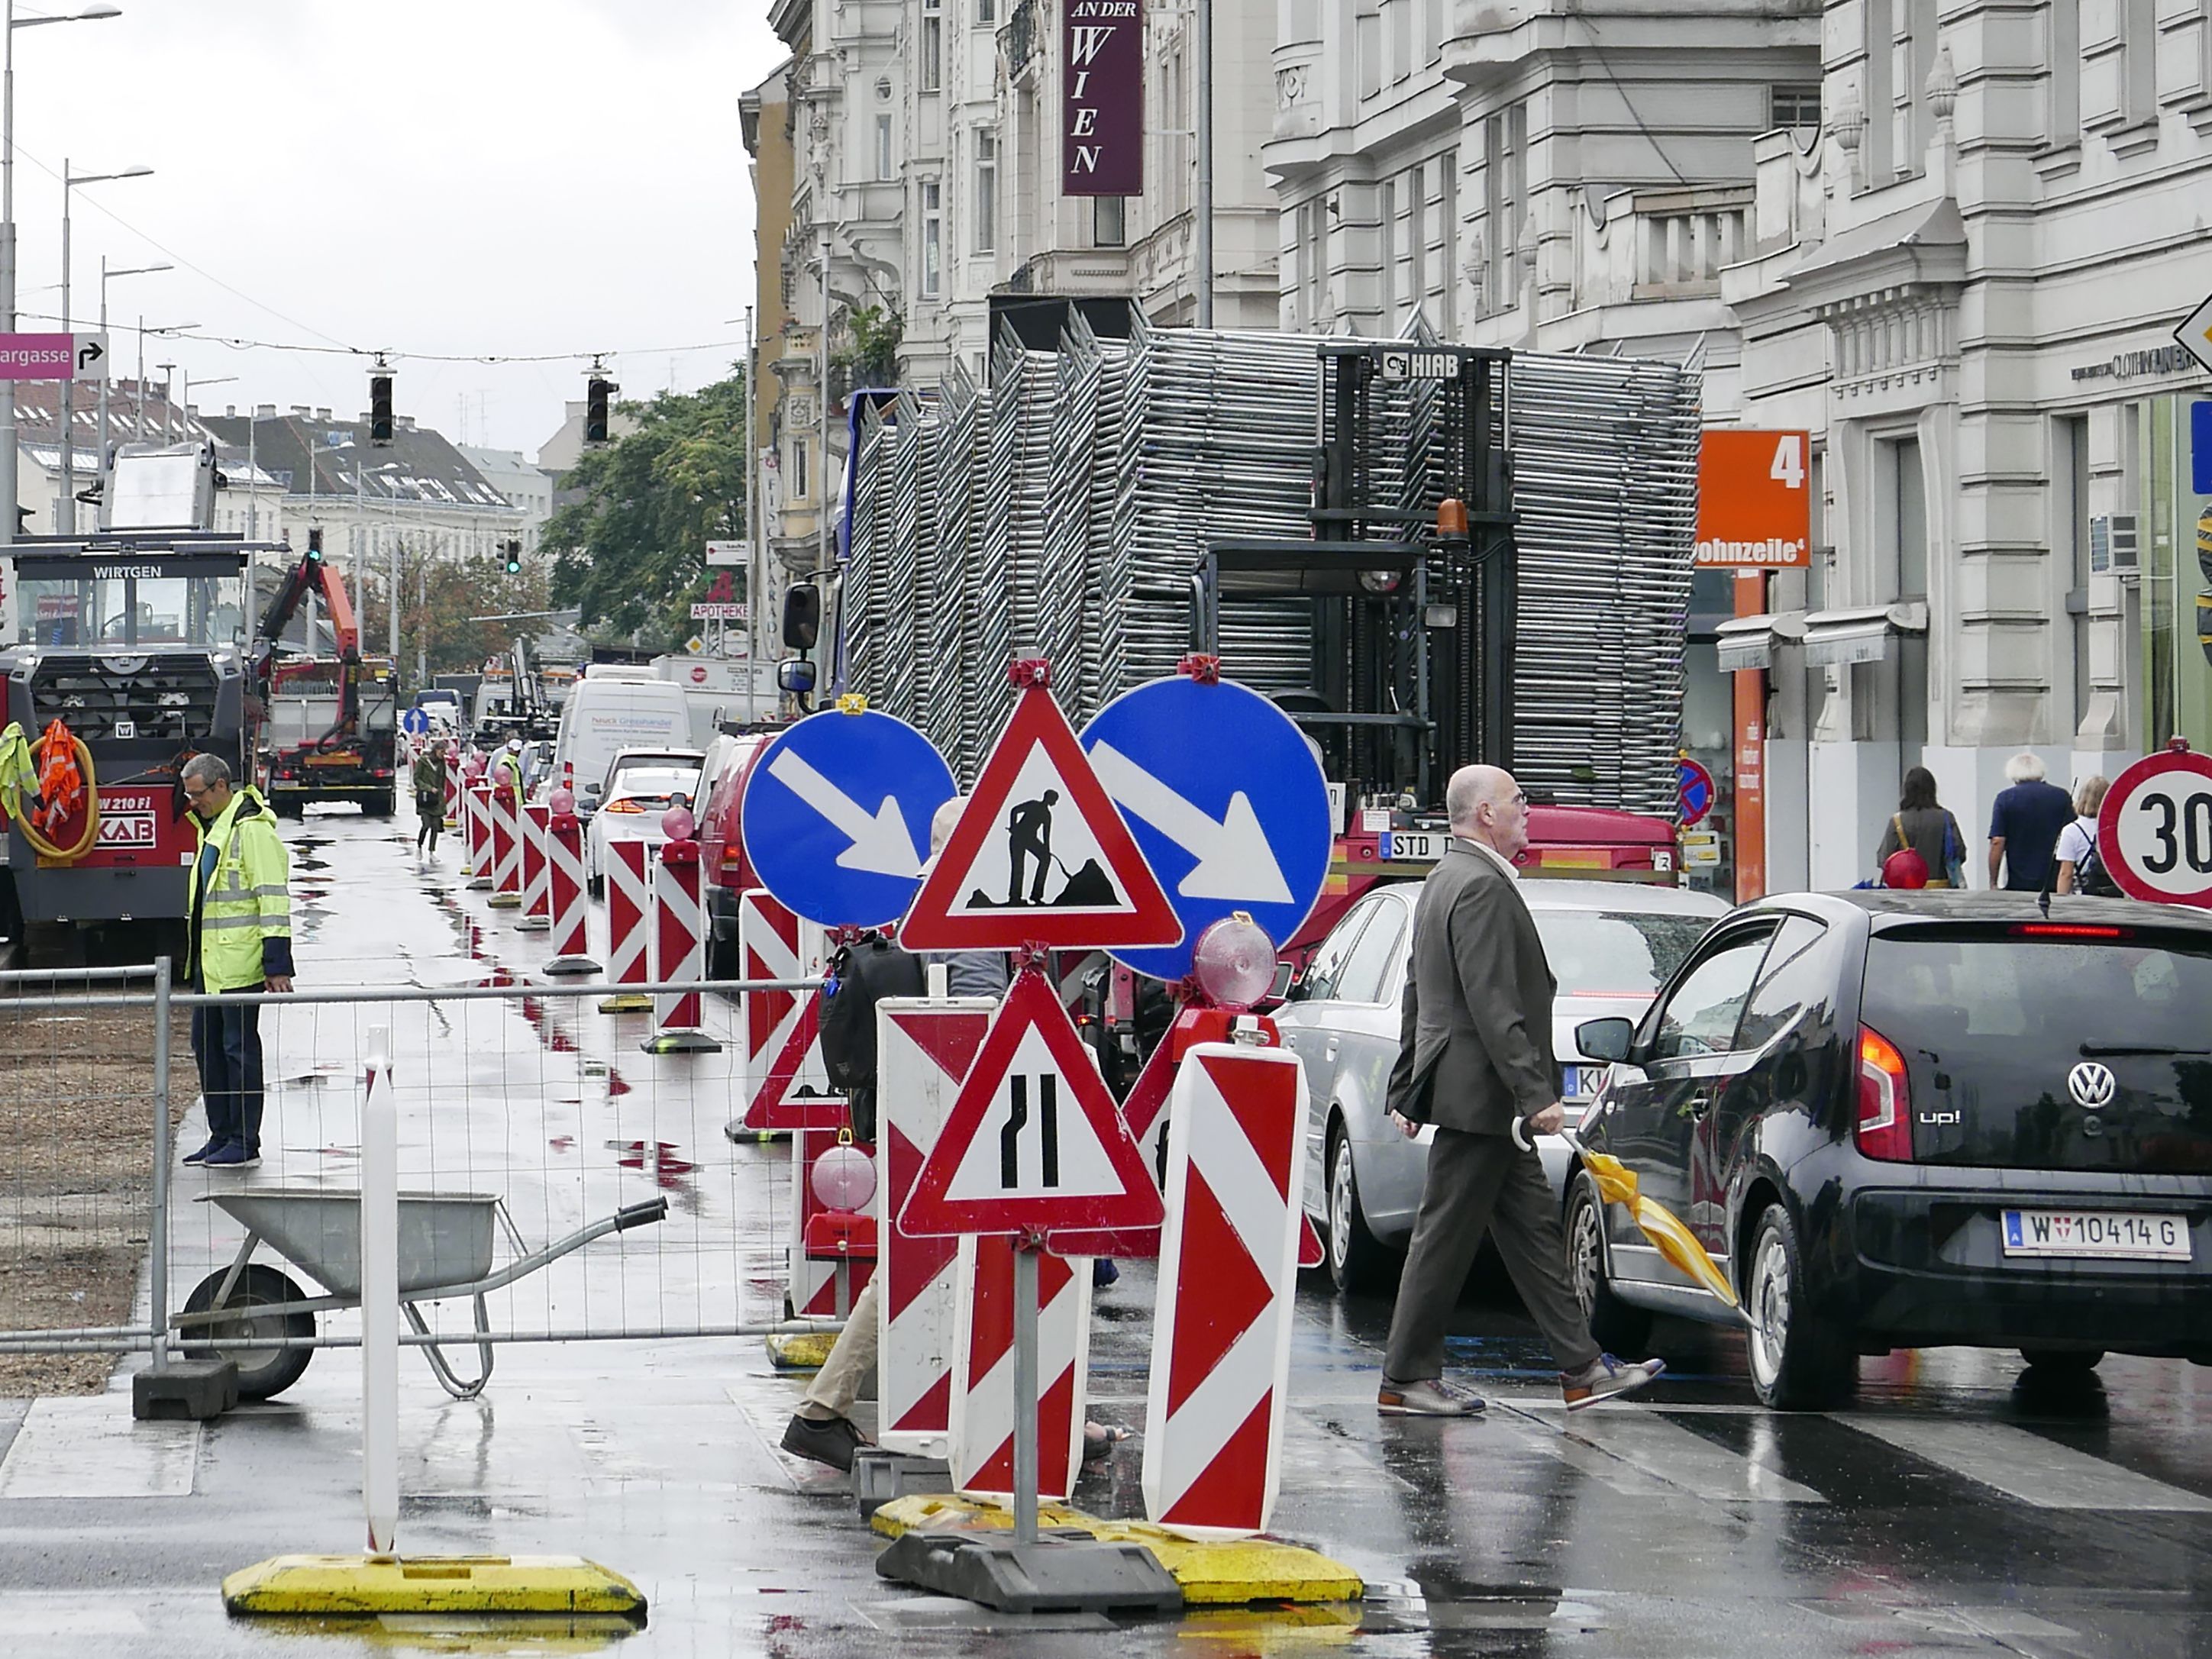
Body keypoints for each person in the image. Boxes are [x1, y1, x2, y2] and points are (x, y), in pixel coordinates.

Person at [783, 796, 1129, 1471]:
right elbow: (981, 1013)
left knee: (951, 1256)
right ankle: (828, 1410)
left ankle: (1038, 1414)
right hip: (972, 1106)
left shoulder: (928, 902)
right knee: (996, 1254)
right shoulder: (964, 911)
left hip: (936, 1102)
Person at [1378, 763, 1665, 1416]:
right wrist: (1535, 1092)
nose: (1526, 810)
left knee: (1534, 1233)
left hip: (1477, 1100)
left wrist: (1406, 1086)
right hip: (1481, 1099)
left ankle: (1582, 1369)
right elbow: (1489, 1001)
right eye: (1516, 800)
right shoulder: (1477, 886)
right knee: (1443, 1238)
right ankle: (1404, 1377)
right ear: (1485, 813)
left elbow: (1420, 994)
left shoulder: (1444, 880)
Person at [178, 754, 295, 1171]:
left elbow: (273, 898)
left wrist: (276, 962)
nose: (192, 803)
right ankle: (221, 1134)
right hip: (212, 965)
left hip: (239, 965)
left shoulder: (251, 832)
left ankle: (244, 1139)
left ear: (222, 786)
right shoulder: (213, 829)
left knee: (237, 1051)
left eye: (198, 794)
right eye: (189, 795)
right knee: (207, 1048)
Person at [1987, 752, 2072, 892]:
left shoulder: (2005, 799)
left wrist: (1993, 881)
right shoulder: (2061, 796)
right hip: (2055, 878)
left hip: (2018, 881)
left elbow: (1997, 841)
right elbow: (2070, 836)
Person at [1874, 767, 1968, 889]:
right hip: (1943, 891)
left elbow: (1885, 859)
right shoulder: (1946, 818)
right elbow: (1960, 852)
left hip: (1907, 891)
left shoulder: (1897, 821)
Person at [2054, 775, 2121, 896]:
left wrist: (2061, 901)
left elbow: (2066, 873)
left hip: (2083, 897)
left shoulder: (2071, 831)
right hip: (2114, 895)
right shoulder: (2117, 828)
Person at [413, 738, 447, 855]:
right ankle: (419, 846)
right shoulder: (423, 761)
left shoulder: (442, 764)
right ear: (436, 751)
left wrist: (442, 799)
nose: (443, 755)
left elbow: (442, 780)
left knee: (435, 826)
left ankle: (432, 851)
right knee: (426, 824)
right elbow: (416, 779)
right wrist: (428, 788)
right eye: (441, 752)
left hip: (436, 800)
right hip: (425, 798)